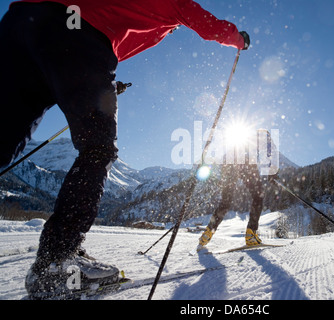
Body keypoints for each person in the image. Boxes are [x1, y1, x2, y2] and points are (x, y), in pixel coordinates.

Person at [0, 0, 250, 299]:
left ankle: (62, 254)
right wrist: (237, 38)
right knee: (98, 149)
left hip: (20, 26)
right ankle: (57, 260)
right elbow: (200, 20)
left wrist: (95, 77)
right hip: (76, 33)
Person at [198, 129, 279, 251]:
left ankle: (208, 232)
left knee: (225, 202)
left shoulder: (249, 136)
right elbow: (270, 152)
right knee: (258, 196)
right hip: (245, 161)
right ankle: (251, 234)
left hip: (227, 164)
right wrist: (273, 171)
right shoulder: (265, 137)